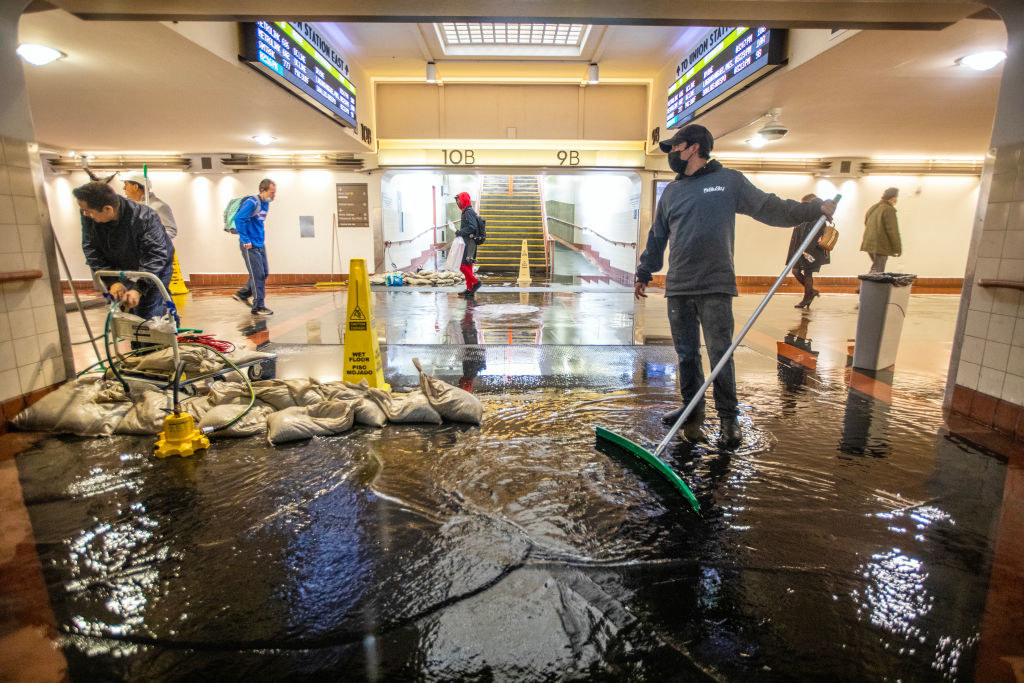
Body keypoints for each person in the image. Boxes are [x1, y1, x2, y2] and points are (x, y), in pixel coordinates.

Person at [634, 124, 836, 448]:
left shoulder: (729, 182)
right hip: (679, 287)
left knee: (720, 355)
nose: (672, 153)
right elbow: (658, 236)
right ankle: (692, 411)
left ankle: (729, 419)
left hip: (715, 284)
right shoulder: (672, 192)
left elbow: (772, 208)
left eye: (676, 147)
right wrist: (645, 270)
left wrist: (814, 209)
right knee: (686, 355)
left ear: (694, 148)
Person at [74, 180, 174, 322]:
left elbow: (155, 256)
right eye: (83, 210)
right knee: (128, 311)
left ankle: (158, 340)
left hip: (155, 267)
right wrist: (112, 282)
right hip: (123, 266)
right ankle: (143, 340)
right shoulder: (89, 217)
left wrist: (138, 288)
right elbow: (91, 249)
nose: (85, 214)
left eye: (88, 211)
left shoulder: (144, 217)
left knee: (148, 312)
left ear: (108, 209)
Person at [231, 179, 276, 315]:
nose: (273, 196)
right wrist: (245, 239)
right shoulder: (252, 202)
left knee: (264, 273)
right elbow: (239, 219)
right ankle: (258, 306)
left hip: (259, 243)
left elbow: (258, 223)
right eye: (271, 193)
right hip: (249, 245)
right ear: (263, 191)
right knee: (257, 275)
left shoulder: (265, 204)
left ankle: (243, 294)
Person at [786, 193, 832, 309]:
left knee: (807, 273)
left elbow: (816, 235)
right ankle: (811, 292)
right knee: (796, 271)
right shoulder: (809, 215)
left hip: (811, 251)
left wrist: (807, 251)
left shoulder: (818, 216)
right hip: (802, 249)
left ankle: (807, 297)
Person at [122, 173, 178, 239]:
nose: (124, 188)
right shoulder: (130, 206)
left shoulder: (159, 206)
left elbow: (171, 230)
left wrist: (152, 239)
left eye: (126, 184)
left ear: (135, 187)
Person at [861, 187, 901, 273]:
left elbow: (866, 222)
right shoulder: (888, 209)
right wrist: (898, 248)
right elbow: (892, 231)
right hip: (880, 246)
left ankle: (864, 286)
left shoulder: (873, 207)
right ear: (893, 198)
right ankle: (864, 287)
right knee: (878, 272)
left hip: (868, 244)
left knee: (875, 269)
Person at [454, 191, 482, 298]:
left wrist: (460, 232)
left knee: (462, 265)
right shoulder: (466, 211)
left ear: (464, 199)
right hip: (468, 242)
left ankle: (475, 283)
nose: (457, 202)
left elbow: (473, 227)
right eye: (456, 200)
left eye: (458, 200)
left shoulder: (468, 212)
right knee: (468, 265)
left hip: (469, 242)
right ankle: (469, 289)